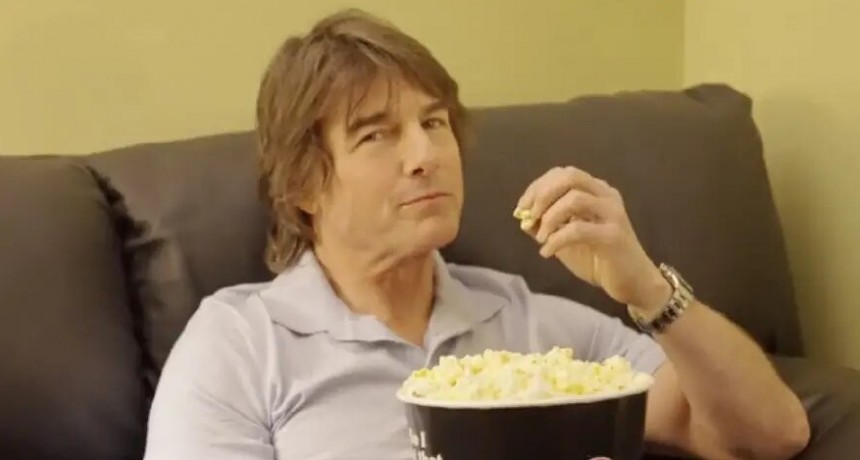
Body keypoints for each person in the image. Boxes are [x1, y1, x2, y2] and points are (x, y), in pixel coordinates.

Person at [144, 9, 810, 460]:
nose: (425, 155)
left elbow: (774, 434)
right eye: (376, 135)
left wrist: (646, 288)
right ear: (301, 185)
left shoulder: (536, 330)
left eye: (434, 124)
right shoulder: (239, 344)